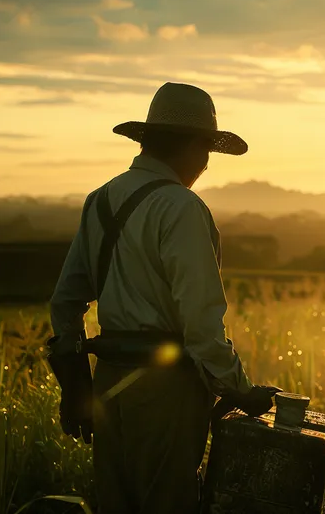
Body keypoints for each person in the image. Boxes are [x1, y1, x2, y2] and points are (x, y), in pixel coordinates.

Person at [47, 82, 280, 514]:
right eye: (207, 151)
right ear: (195, 146)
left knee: (118, 503)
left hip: (108, 382)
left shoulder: (100, 199)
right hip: (166, 388)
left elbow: (65, 303)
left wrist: (77, 386)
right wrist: (238, 388)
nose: (206, 166)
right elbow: (201, 323)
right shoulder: (181, 207)